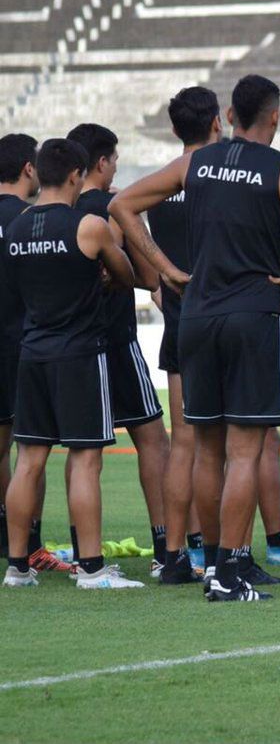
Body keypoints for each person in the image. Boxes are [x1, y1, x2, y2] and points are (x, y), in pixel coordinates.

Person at [109, 74, 280, 601]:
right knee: (246, 452)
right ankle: (230, 573)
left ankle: (215, 564)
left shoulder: (195, 163)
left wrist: (164, 269)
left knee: (207, 451)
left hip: (195, 316)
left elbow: (121, 205)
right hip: (251, 316)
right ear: (275, 117)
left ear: (230, 118)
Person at [3, 138, 143, 589]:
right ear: (76, 176)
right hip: (79, 355)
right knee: (85, 460)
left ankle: (17, 567)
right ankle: (92, 568)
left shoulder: (18, 227)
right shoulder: (88, 225)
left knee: (28, 462)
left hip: (33, 353)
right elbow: (125, 276)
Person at [67, 123, 171, 577]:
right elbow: (150, 278)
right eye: (114, 160)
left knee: (81, 452)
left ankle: (80, 550)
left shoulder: (59, 209)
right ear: (103, 162)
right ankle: (167, 546)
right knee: (153, 440)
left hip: (70, 348)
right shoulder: (115, 208)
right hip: (115, 340)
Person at [145, 87, 220, 583]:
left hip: (179, 320)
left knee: (184, 443)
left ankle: (175, 554)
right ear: (217, 123)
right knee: (234, 446)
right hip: (224, 317)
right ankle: (224, 553)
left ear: (175, 130)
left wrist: (161, 272)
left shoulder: (161, 186)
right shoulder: (227, 180)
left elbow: (120, 213)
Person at [0, 134, 37, 563]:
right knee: (31, 449)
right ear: (30, 168)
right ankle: (30, 544)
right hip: (24, 344)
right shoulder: (31, 219)